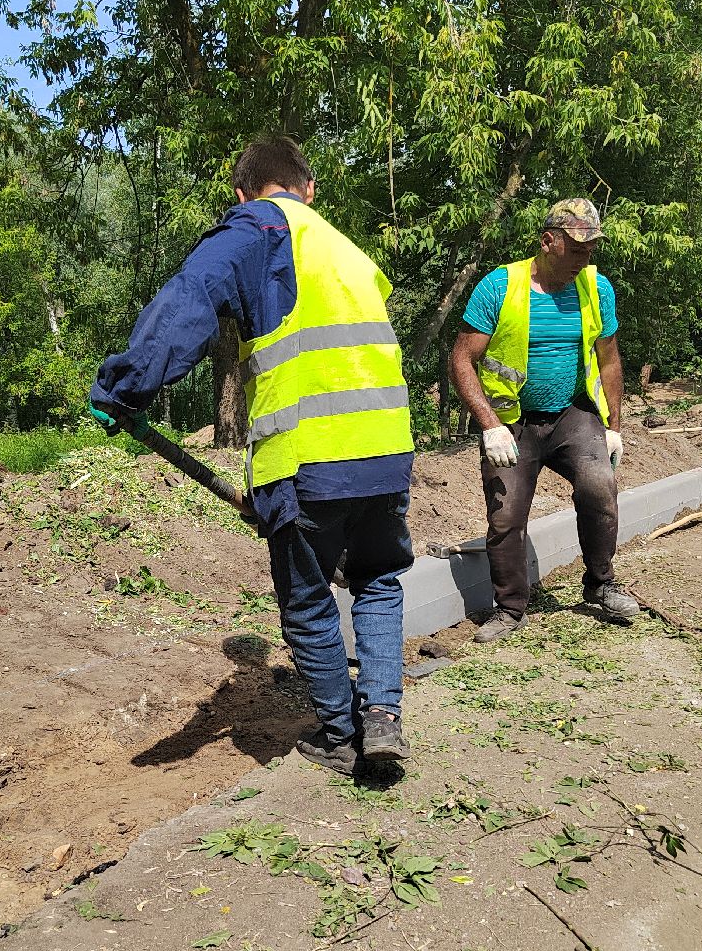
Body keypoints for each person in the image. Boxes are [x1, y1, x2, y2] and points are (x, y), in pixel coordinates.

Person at [89, 136, 416, 774]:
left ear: (243, 192)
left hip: (308, 456)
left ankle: (341, 734)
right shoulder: (348, 252)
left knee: (305, 594)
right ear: (310, 189)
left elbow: (190, 300)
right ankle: (383, 719)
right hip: (386, 450)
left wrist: (126, 386)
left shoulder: (258, 229)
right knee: (378, 580)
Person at [449, 198, 638, 644]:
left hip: (572, 414)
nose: (583, 258)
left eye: (590, 250)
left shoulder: (597, 288)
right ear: (548, 241)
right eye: (575, 249)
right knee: (505, 516)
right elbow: (461, 358)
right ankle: (510, 608)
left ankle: (601, 583)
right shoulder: (501, 286)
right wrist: (488, 423)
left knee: (598, 486)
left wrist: (614, 425)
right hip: (512, 421)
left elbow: (609, 360)